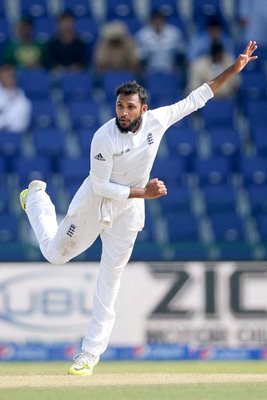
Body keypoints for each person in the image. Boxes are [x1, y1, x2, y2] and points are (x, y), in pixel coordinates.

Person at [19, 41, 257, 376]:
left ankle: (88, 355)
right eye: (120, 106)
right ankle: (36, 199)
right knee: (55, 254)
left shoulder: (157, 121)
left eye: (130, 107)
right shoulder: (104, 138)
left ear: (143, 109)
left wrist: (234, 68)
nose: (123, 113)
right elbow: (101, 186)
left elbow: (198, 97)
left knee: (109, 281)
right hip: (96, 201)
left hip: (128, 213)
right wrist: (144, 193)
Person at [0, 64, 31, 132]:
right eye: (5, 76)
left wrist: (4, 120)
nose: (8, 78)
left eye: (10, 76)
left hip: (14, 133)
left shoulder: (21, 96)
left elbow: (22, 122)